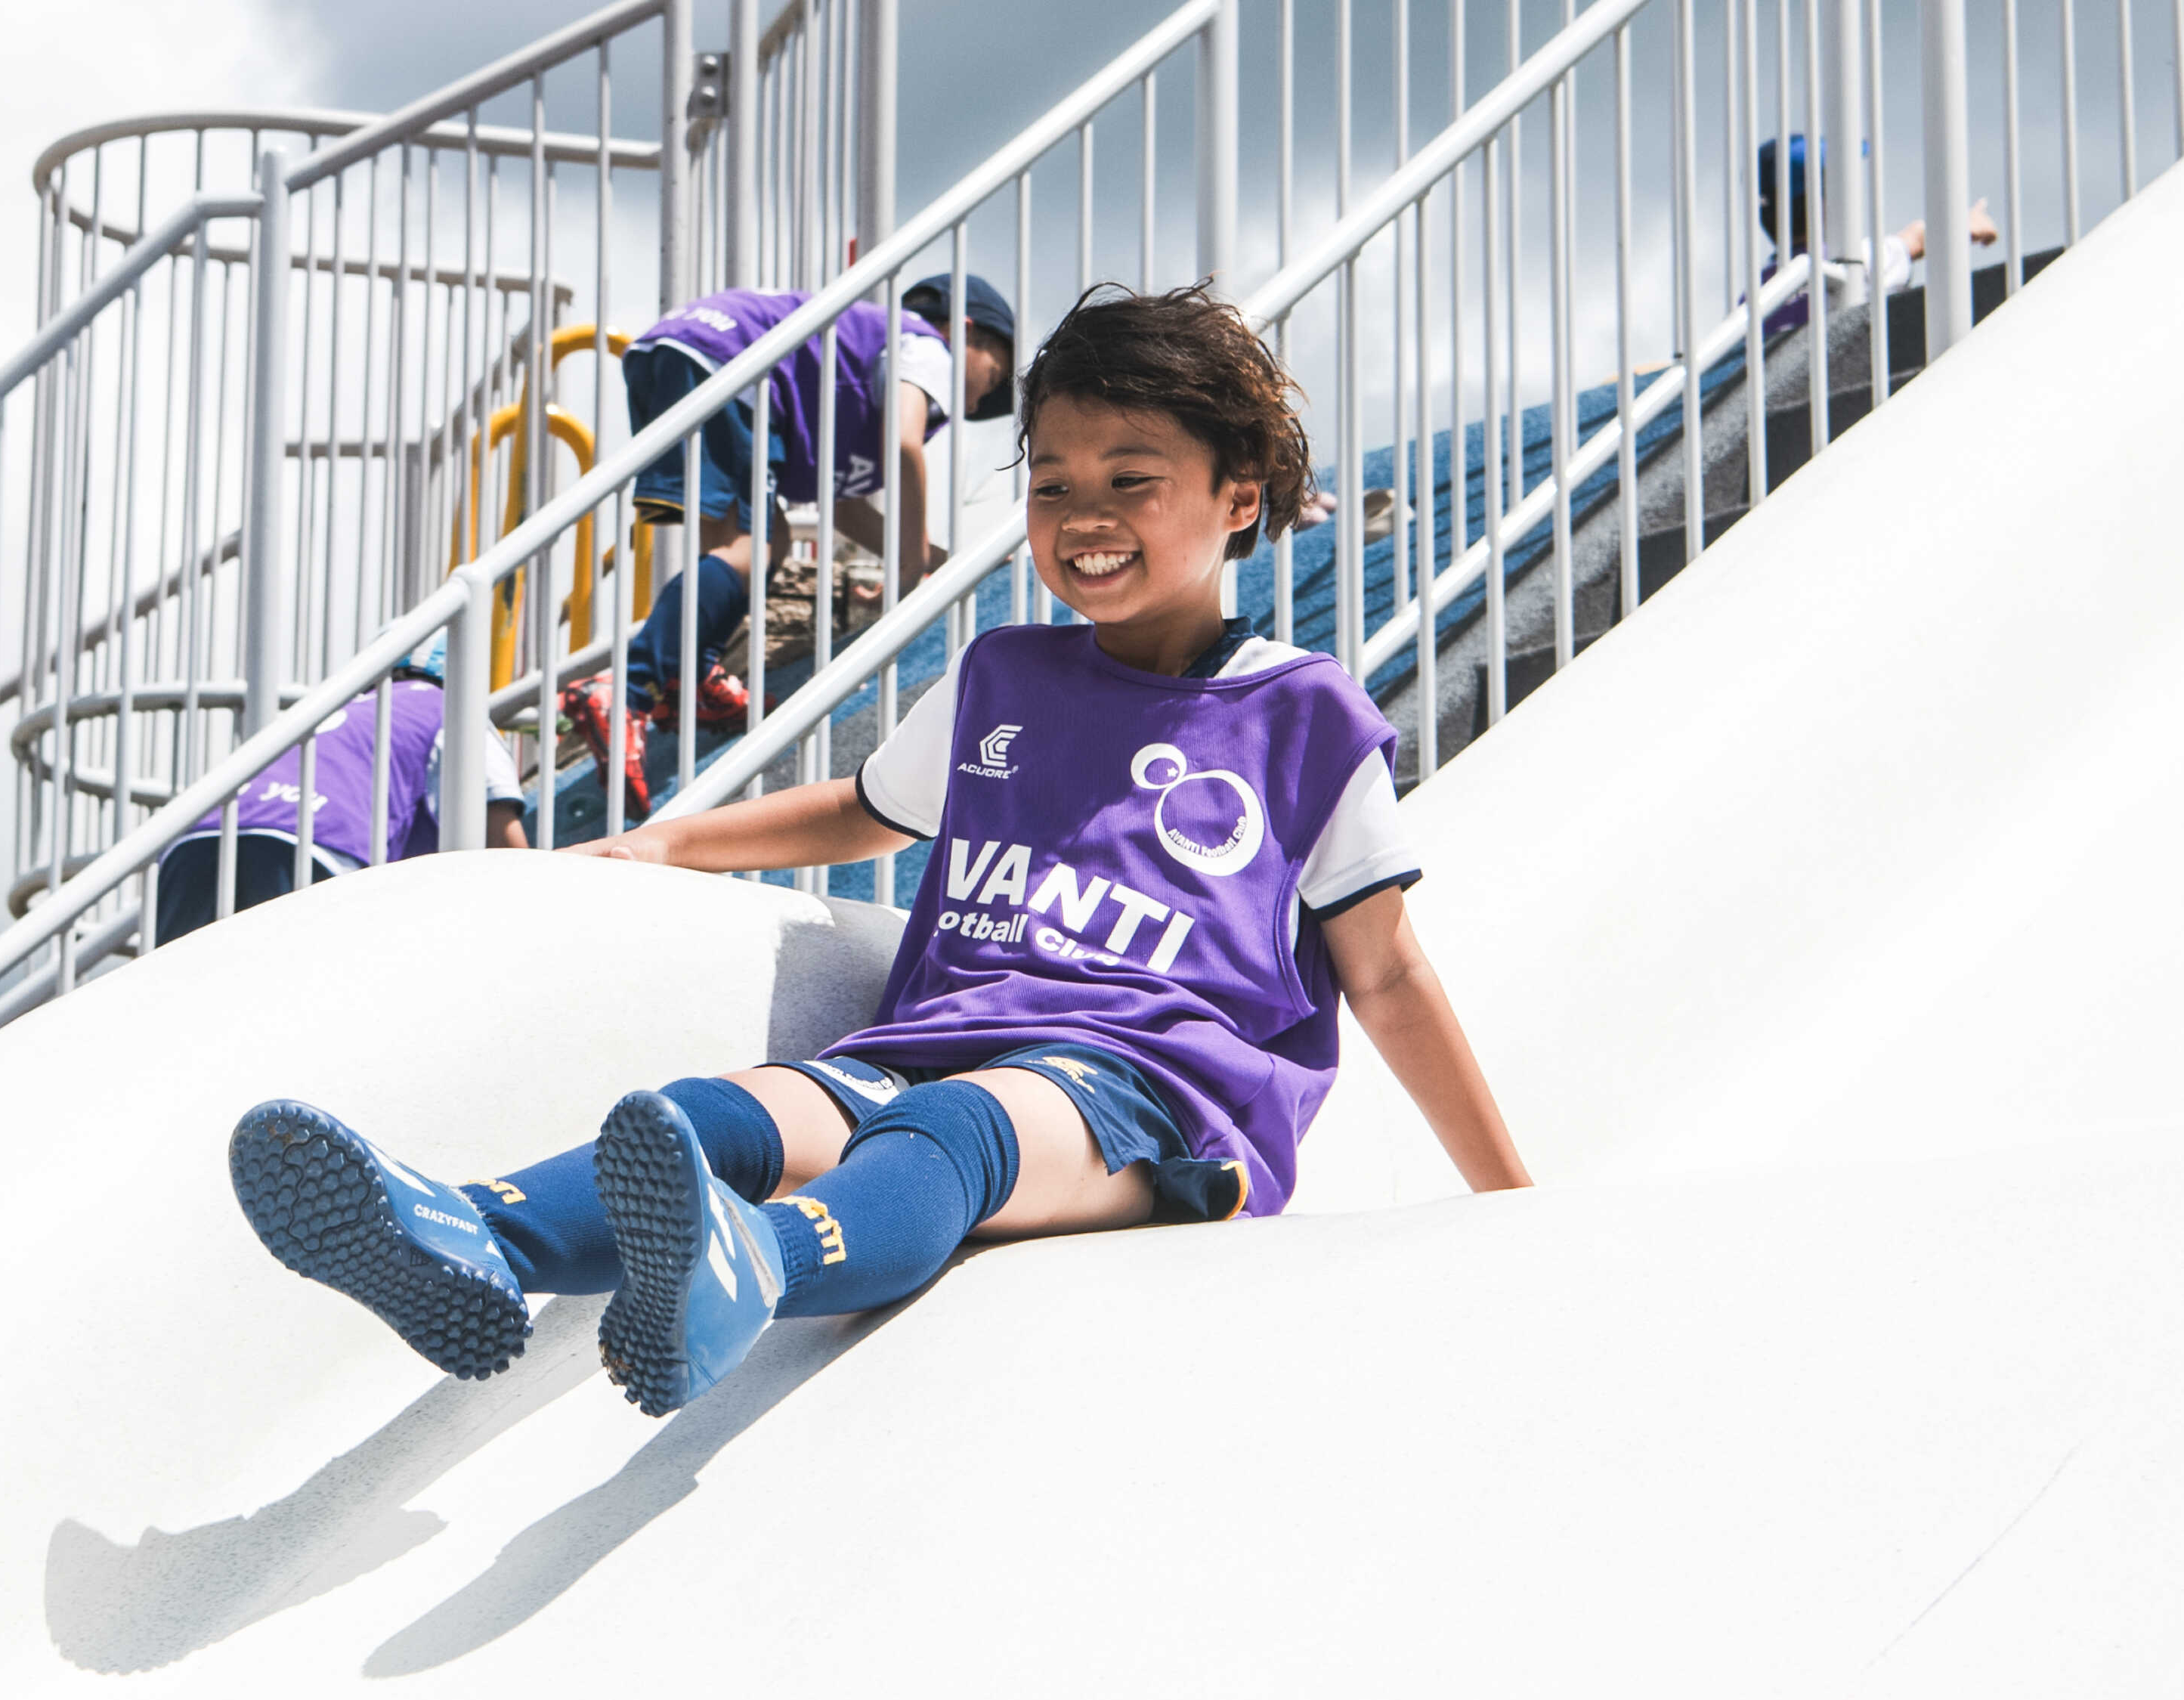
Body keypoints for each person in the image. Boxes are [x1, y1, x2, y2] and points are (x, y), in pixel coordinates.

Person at [227, 283, 1530, 1417]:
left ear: (1238, 496)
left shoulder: (1303, 716)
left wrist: (1514, 1204)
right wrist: (669, 843)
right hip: (935, 1034)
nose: (1084, 512)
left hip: (1152, 1090)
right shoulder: (1005, 676)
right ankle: (473, 1236)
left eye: (1132, 478)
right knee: (724, 1109)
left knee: (952, 1130)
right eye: (1053, 483)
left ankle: (760, 1264)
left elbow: (1387, 972)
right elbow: (863, 808)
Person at [555, 274, 1019, 821]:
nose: (977, 400)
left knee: (757, 541)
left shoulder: (861, 360)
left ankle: (690, 673)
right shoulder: (926, 345)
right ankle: (628, 689)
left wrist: (942, 562)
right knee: (751, 549)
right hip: (732, 361)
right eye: (992, 375)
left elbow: (845, 509)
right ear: (964, 330)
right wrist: (909, 572)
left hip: (677, 352)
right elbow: (904, 446)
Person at [153, 640, 527, 945]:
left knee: (177, 999)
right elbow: (505, 843)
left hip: (201, 837)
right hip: (314, 843)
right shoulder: (453, 714)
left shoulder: (330, 713)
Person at [1756, 135, 1997, 338]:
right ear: (1824, 201)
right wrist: (1968, 223)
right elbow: (1917, 238)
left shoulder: (1757, 293)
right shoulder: (1853, 262)